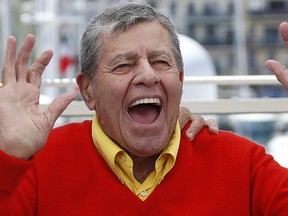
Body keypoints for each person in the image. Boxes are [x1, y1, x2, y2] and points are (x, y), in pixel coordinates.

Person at [0, 2, 287, 215]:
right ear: (88, 91)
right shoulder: (37, 165)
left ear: (180, 80)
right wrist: (9, 157)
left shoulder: (243, 164)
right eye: (123, 65)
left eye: (161, 62)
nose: (148, 75)